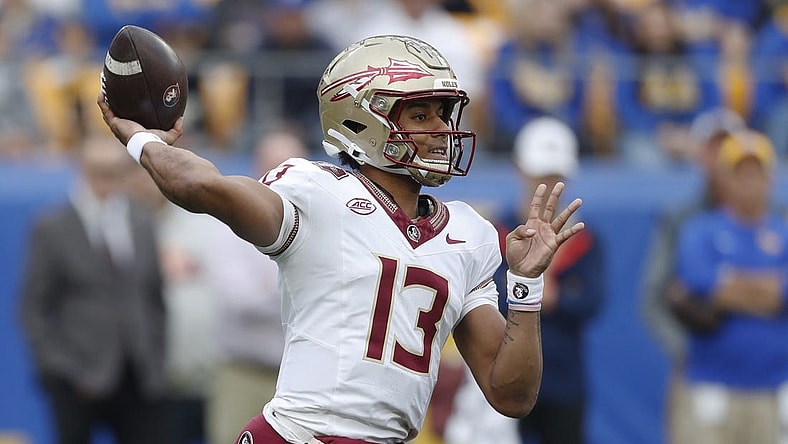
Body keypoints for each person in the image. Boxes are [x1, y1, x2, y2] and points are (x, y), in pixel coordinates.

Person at [97, 34, 585, 444]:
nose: (441, 131)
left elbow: (511, 395)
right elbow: (202, 185)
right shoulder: (317, 192)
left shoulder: (470, 235)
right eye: (421, 116)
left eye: (442, 114)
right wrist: (144, 141)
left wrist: (525, 285)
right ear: (360, 120)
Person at [18, 134, 173, 444]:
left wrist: (156, 359)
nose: (107, 180)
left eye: (115, 170)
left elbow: (154, 296)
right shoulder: (53, 227)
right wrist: (57, 369)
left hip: (139, 375)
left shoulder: (141, 221)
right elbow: (33, 307)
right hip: (78, 375)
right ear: (83, 171)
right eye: (98, 170)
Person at [670, 129, 788, 444]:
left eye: (756, 173)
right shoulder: (700, 231)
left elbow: (779, 293)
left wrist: (729, 285)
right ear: (725, 179)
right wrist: (769, 291)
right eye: (741, 173)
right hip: (712, 384)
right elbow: (697, 282)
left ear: (770, 179)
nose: (749, 182)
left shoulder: (783, 234)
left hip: (775, 385)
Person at [495, 116, 604, 444]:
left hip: (564, 378)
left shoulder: (585, 240)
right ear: (519, 169)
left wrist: (536, 293)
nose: (546, 185)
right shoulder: (496, 234)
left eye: (554, 177)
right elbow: (487, 301)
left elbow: (592, 300)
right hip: (502, 375)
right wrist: (542, 292)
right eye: (540, 175)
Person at [205, 128, 307, 444]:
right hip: (244, 372)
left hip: (304, 379)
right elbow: (239, 299)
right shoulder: (228, 223)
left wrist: (269, 287)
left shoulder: (321, 224)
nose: (281, 177)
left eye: (290, 166)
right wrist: (299, 292)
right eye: (272, 166)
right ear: (256, 168)